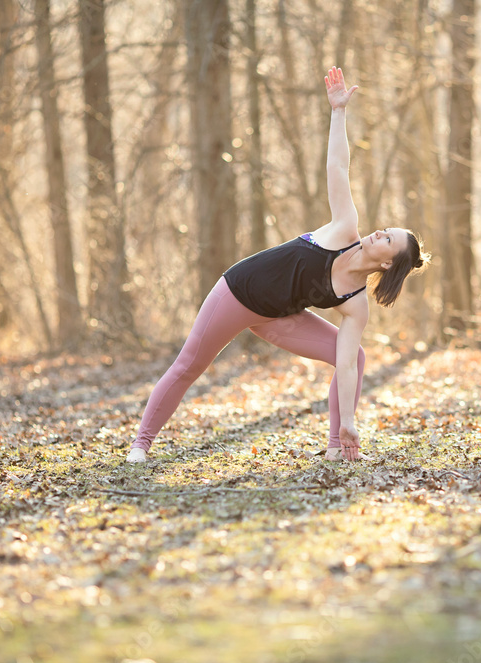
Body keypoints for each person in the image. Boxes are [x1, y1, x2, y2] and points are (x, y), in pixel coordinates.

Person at [126, 66, 428, 464]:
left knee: (354, 356)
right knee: (189, 365)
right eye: (385, 230)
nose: (379, 233)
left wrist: (350, 421)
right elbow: (338, 168)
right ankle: (141, 444)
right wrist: (338, 112)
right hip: (238, 292)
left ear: (388, 264)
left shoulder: (356, 304)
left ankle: (338, 446)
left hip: (277, 318)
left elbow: (345, 368)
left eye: (388, 239)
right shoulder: (344, 228)